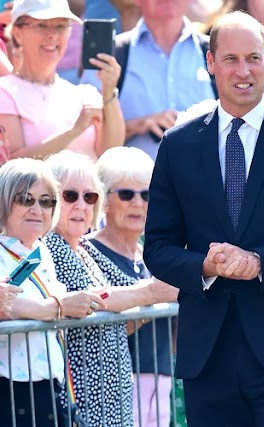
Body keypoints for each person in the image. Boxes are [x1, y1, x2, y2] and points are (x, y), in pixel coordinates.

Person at [143, 10, 264, 427]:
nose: (243, 71)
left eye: (253, 58)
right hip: (207, 356)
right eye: (230, 59)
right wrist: (204, 265)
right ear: (210, 63)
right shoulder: (178, 145)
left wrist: (259, 263)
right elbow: (158, 247)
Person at [43, 151, 177, 426]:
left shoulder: (80, 249)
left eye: (89, 197)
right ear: (50, 200)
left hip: (112, 387)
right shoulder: (52, 245)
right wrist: (152, 293)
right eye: (71, 196)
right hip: (84, 389)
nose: (82, 205)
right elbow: (89, 300)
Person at [0, 158, 106, 427]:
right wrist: (56, 307)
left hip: (51, 379)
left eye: (46, 201)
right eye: (26, 199)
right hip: (10, 385)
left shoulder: (42, 252)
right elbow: (6, 305)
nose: (37, 209)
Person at [91, 146, 178, 427]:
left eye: (147, 195)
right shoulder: (88, 251)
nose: (138, 203)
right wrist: (151, 296)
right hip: (114, 383)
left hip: (162, 377)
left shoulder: (155, 255)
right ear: (104, 199)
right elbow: (94, 328)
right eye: (126, 194)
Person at [81, 0, 215, 160]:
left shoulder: (218, 54)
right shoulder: (109, 56)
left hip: (204, 181)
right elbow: (85, 138)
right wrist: (139, 126)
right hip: (133, 182)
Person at [0, 0, 125, 160]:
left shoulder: (85, 94)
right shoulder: (4, 91)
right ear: (17, 32)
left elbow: (111, 154)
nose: (52, 34)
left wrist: (109, 89)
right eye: (41, 26)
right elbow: (12, 166)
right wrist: (74, 131)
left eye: (60, 26)